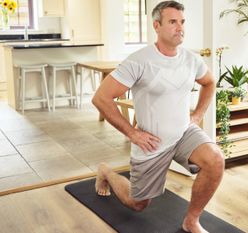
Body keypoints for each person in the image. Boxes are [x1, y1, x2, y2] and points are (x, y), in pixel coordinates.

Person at [92, 1, 224, 232]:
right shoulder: (139, 61)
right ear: (157, 25)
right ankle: (106, 172)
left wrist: (197, 114)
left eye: (182, 22)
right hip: (151, 141)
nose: (180, 27)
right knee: (138, 203)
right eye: (172, 22)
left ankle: (191, 220)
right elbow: (101, 98)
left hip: (183, 132)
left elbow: (209, 82)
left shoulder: (192, 59)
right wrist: (132, 133)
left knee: (215, 160)